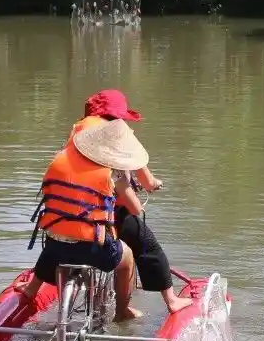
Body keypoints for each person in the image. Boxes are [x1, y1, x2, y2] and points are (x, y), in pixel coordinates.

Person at [76, 89, 191, 315]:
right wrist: (153, 184)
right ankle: (170, 301)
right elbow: (138, 197)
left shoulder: (76, 142)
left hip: (70, 215)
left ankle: (37, 287)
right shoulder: (119, 144)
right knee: (149, 246)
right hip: (107, 217)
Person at [25, 117, 147, 321]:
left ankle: (31, 290)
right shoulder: (112, 171)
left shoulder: (59, 160)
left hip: (53, 249)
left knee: (58, 234)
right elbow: (135, 209)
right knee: (127, 256)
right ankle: (122, 311)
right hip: (92, 249)